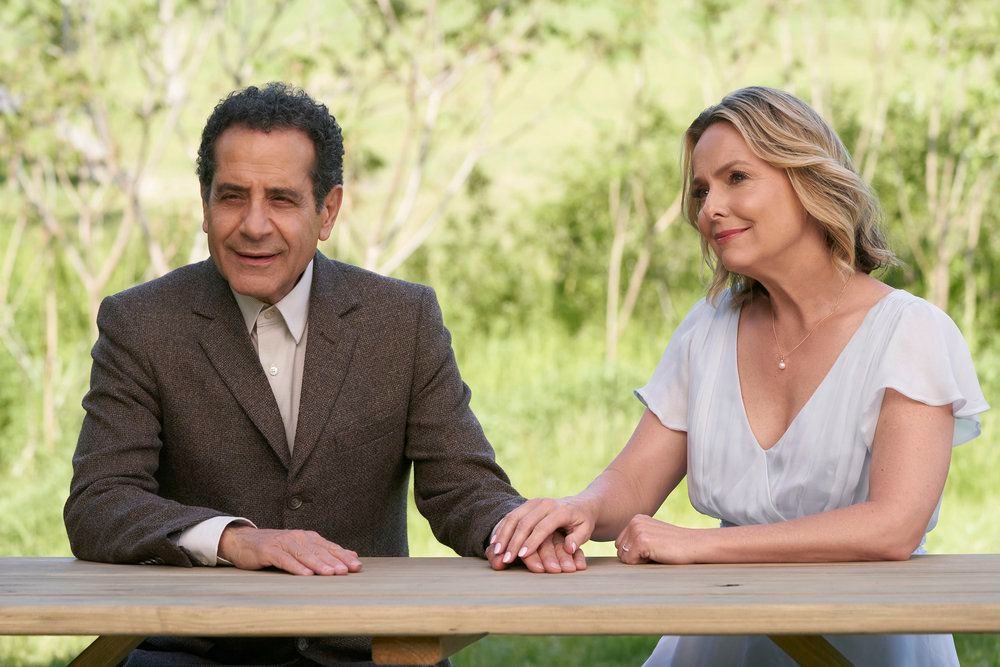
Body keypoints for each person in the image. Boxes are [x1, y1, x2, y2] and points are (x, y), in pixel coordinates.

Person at [64, 82, 582, 666]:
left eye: (281, 199)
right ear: (204, 206)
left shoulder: (403, 318)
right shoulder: (140, 321)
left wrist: (521, 532)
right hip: (198, 650)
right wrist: (235, 539)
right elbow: (99, 502)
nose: (253, 225)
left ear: (327, 210)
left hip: (372, 650)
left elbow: (461, 487)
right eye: (233, 196)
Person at [489, 86, 989, 666]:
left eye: (736, 178)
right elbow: (632, 486)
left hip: (870, 640)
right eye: (701, 190)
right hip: (719, 640)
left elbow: (891, 527)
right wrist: (583, 508)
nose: (709, 209)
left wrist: (701, 545)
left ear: (808, 180)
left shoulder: (912, 332)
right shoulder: (707, 328)